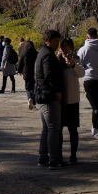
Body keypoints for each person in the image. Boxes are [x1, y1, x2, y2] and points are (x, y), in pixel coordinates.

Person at [35, 29, 67, 169]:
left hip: (41, 95)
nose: (57, 43)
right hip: (48, 95)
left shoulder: (42, 53)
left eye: (58, 41)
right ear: (47, 41)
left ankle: (43, 157)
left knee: (46, 129)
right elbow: (49, 75)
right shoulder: (48, 55)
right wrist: (57, 90)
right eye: (55, 41)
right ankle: (54, 159)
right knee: (54, 128)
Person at [77, 27, 98, 140]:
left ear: (87, 36)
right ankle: (95, 127)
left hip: (89, 79)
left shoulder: (83, 50)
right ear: (97, 36)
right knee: (96, 103)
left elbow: (79, 65)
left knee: (96, 106)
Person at [58, 38, 85, 164]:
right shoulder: (57, 58)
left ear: (72, 48)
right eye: (64, 46)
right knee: (58, 129)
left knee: (73, 128)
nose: (66, 48)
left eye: (69, 46)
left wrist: (73, 64)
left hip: (73, 98)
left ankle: (73, 155)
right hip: (60, 99)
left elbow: (81, 73)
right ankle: (58, 154)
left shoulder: (76, 59)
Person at [18, 37, 38, 110]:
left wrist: (19, 71)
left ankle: (29, 98)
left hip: (26, 73)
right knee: (34, 87)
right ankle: (34, 102)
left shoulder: (24, 54)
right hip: (35, 73)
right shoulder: (36, 53)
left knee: (28, 87)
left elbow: (20, 63)